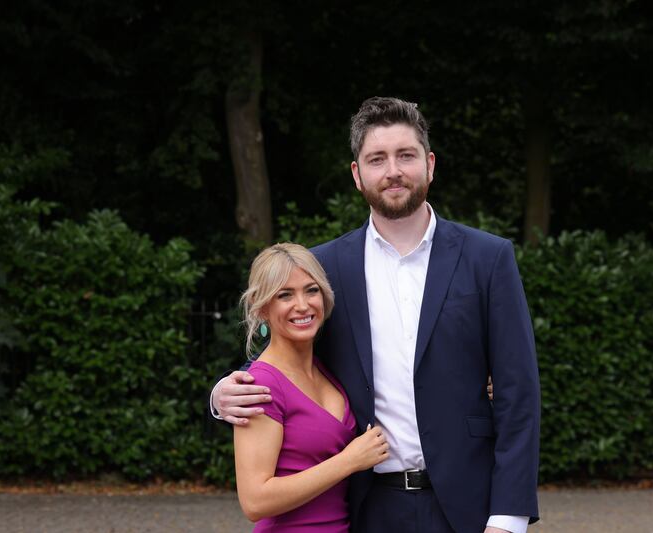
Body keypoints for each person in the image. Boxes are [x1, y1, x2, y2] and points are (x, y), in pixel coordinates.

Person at [213, 97, 540, 533]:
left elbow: (519, 394)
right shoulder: (324, 267)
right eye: (377, 159)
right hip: (365, 509)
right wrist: (223, 393)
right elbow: (286, 353)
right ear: (357, 174)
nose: (393, 171)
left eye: (406, 155)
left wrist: (508, 519)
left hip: (470, 510)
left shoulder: (488, 258)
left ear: (430, 164)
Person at [232, 243, 389, 532]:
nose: (303, 305)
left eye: (311, 290)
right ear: (263, 306)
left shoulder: (325, 368)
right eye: (285, 295)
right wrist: (348, 461)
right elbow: (254, 501)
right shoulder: (261, 384)